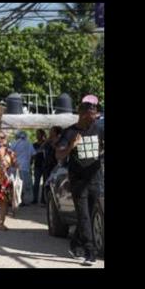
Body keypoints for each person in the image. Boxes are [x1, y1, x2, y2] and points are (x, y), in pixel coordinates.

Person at [55, 95, 104, 266]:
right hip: (78, 182)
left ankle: (75, 244)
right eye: (92, 116)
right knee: (83, 217)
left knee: (89, 215)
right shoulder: (69, 132)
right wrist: (71, 146)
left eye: (96, 115)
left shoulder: (98, 129)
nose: (94, 119)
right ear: (82, 114)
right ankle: (90, 253)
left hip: (95, 178)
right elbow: (58, 154)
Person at [11, 130, 33, 206]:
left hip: (15, 167)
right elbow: (34, 154)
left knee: (15, 184)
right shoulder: (29, 144)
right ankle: (23, 201)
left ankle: (16, 200)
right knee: (24, 185)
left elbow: (10, 153)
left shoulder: (14, 143)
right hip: (25, 168)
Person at [31, 129, 47, 204]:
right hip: (37, 165)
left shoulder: (46, 143)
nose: (37, 135)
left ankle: (43, 199)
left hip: (45, 165)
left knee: (45, 183)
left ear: (42, 134)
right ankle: (35, 199)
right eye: (37, 134)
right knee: (36, 183)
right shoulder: (34, 145)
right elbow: (32, 155)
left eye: (38, 134)